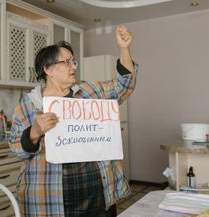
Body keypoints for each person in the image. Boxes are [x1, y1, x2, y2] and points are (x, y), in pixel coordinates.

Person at [9, 25, 137, 217]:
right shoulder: (29, 105)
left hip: (98, 191)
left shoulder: (91, 92)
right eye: (67, 62)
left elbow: (125, 84)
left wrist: (124, 48)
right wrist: (34, 131)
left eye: (73, 61)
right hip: (50, 199)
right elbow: (16, 148)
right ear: (48, 69)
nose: (73, 66)